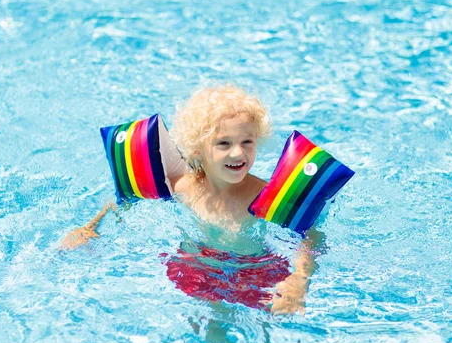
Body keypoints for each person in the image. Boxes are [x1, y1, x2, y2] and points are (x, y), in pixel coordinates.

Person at [60, 85, 320, 316]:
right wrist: (89, 227)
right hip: (197, 264)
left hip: (254, 269)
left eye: (247, 141)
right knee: (208, 325)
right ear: (198, 149)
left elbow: (310, 236)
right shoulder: (183, 187)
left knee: (264, 329)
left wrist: (299, 279)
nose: (238, 152)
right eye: (224, 143)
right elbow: (126, 199)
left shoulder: (264, 197)